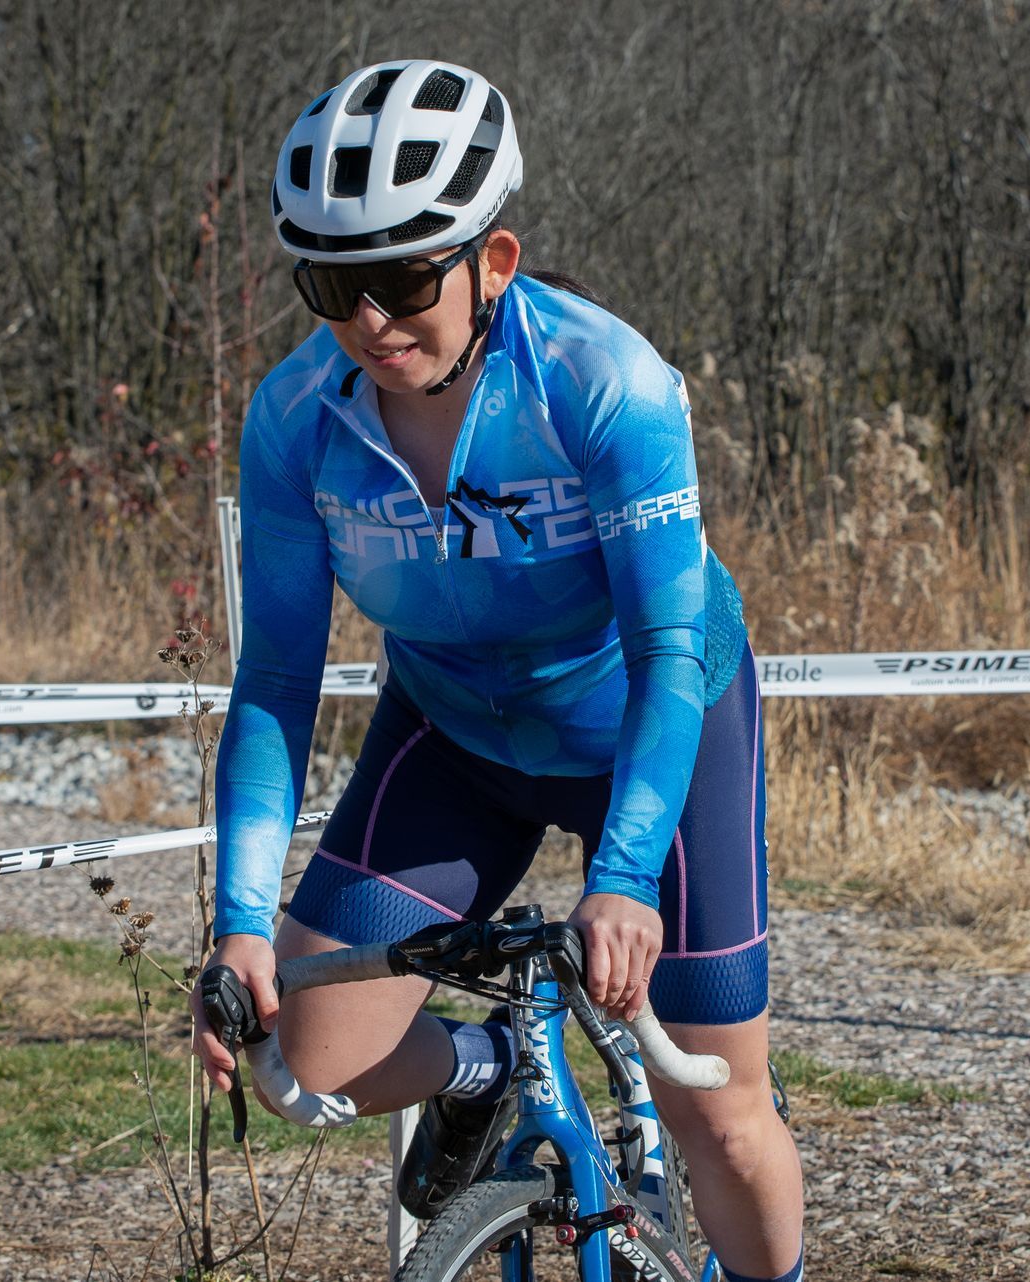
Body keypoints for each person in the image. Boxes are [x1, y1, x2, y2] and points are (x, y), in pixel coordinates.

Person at [193, 58, 805, 1282]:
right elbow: (274, 685)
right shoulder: (295, 417)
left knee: (718, 1117)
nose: (371, 321)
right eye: (333, 284)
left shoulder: (606, 383)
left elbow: (666, 648)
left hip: (650, 718)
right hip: (459, 734)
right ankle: (486, 1072)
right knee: (300, 1056)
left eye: (406, 277)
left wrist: (625, 876)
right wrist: (241, 922)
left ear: (495, 262)